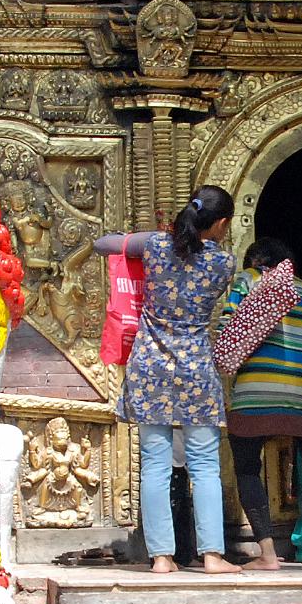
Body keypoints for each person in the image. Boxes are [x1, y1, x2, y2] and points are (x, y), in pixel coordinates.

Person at [96, 187, 239, 575]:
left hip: (150, 366)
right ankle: (212, 556)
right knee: (205, 465)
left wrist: (144, 237)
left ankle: (161, 557)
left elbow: (102, 244)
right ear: (222, 223)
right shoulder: (224, 263)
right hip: (195, 368)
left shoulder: (156, 246)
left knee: (155, 465)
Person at [218, 240, 302, 571]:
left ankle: (268, 554)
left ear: (255, 261)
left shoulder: (248, 280)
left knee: (247, 468)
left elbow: (229, 331)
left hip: (257, 392)